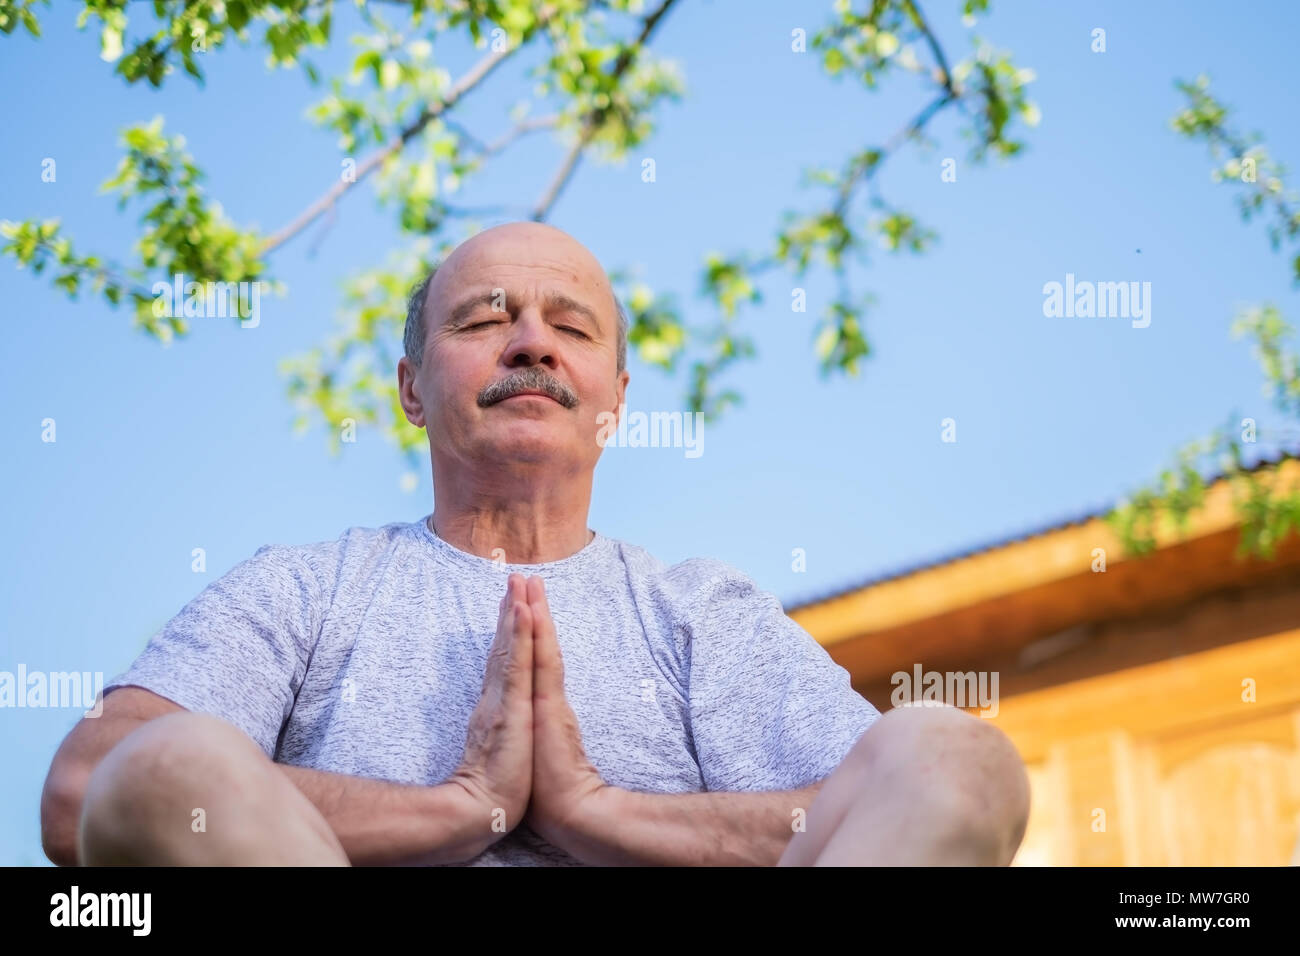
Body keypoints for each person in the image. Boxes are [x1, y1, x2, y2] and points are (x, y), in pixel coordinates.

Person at [40, 221, 1029, 866]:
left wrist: (596, 810)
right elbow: (86, 790)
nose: (531, 344)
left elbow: (894, 811)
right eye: (484, 319)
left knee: (955, 755)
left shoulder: (701, 610)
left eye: (571, 327)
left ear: (616, 400)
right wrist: (459, 806)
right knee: (165, 764)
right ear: (411, 387)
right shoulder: (302, 588)